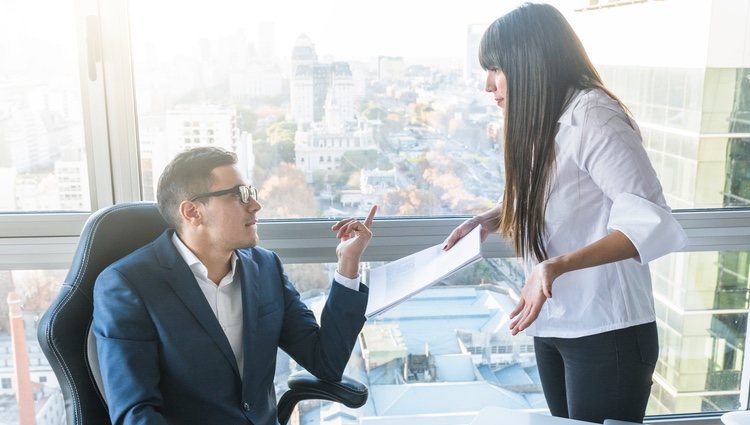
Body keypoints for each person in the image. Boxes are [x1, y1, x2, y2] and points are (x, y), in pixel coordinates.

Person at [443, 3, 687, 424]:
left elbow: (649, 223)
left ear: (530, 62)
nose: (488, 85)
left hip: (607, 330)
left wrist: (554, 267)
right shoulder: (544, 118)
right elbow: (558, 195)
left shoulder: (594, 115)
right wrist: (492, 217)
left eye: (497, 69)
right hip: (555, 325)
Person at [93, 146, 377, 425]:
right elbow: (136, 414)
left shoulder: (265, 268)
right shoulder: (127, 286)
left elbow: (325, 362)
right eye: (239, 196)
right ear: (192, 212)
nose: (255, 205)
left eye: (250, 193)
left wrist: (348, 264)